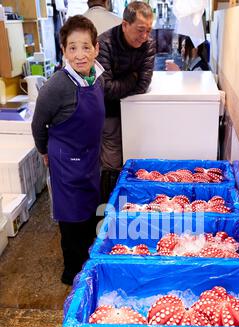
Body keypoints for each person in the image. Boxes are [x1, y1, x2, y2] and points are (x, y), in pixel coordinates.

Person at [31, 15, 105, 286]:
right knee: (72, 220)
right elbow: (38, 124)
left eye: (86, 46)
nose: (80, 54)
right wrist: (43, 151)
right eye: (72, 47)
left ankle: (89, 263)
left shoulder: (98, 78)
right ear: (63, 51)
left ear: (96, 48)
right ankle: (73, 276)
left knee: (89, 214)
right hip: (65, 162)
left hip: (89, 159)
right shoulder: (57, 86)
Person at [97, 1, 155, 203]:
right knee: (112, 163)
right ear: (124, 24)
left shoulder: (148, 44)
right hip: (109, 112)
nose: (145, 36)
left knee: (137, 158)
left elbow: (144, 84)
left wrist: (124, 83)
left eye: (148, 30)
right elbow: (105, 88)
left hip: (136, 113)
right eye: (140, 30)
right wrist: (132, 77)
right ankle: (109, 211)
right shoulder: (103, 44)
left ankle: (135, 204)